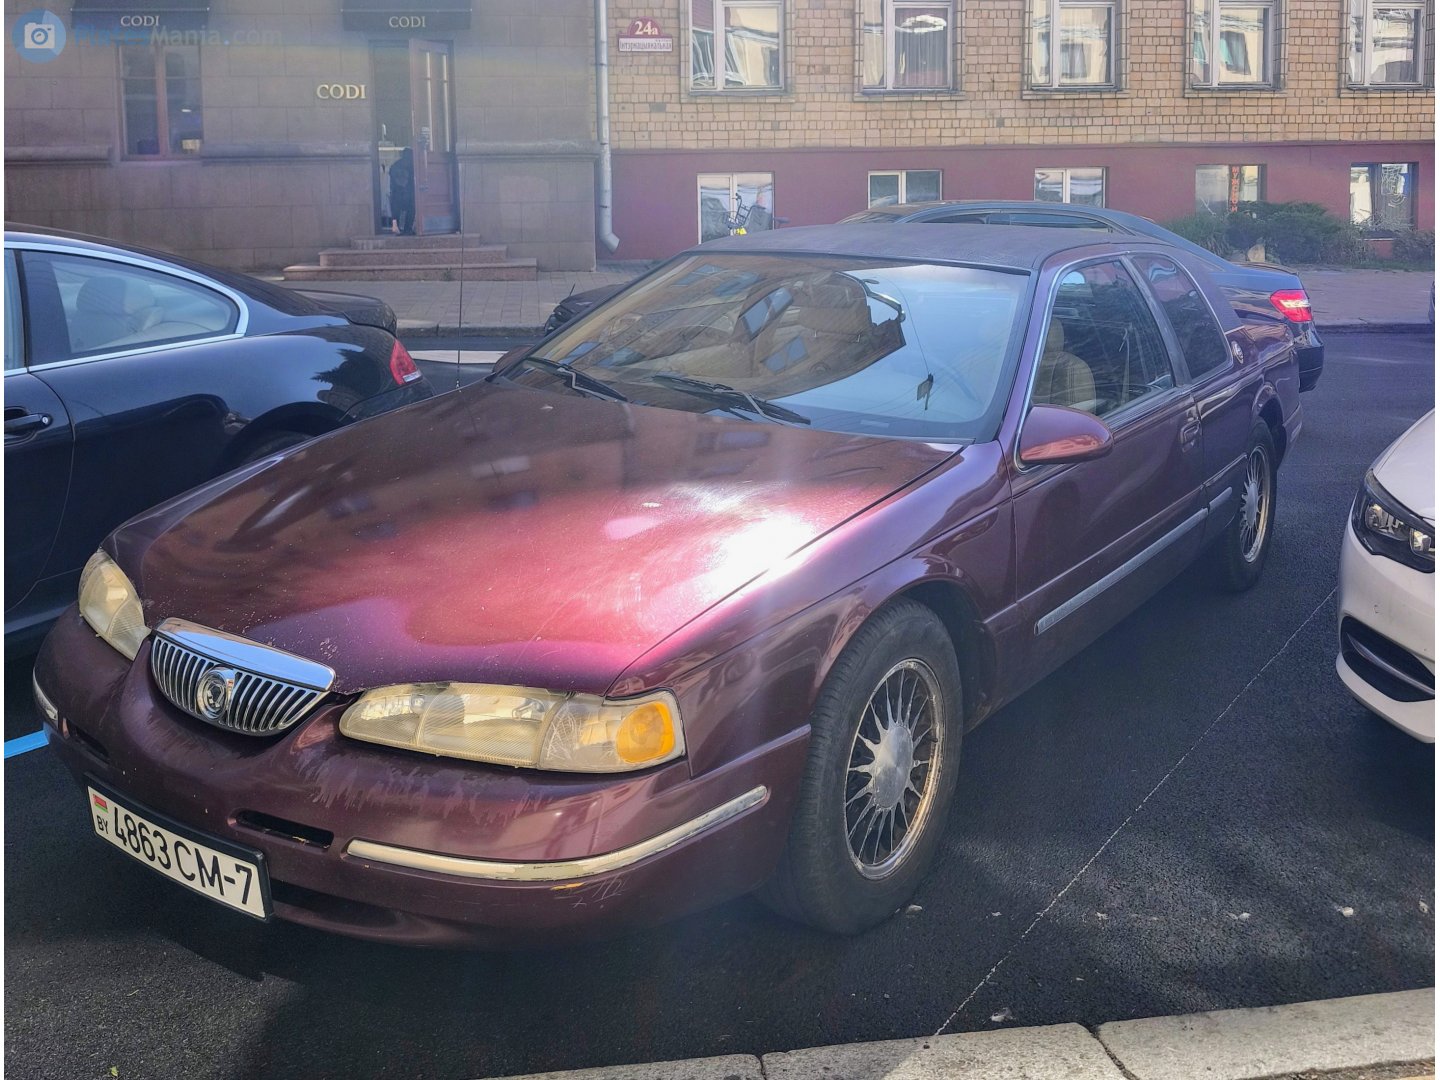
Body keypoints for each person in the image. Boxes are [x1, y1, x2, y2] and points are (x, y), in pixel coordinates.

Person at [389, 147, 415, 235]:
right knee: (412, 208)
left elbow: (392, 177)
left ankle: (395, 226)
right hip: (408, 193)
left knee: (395, 210)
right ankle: (408, 228)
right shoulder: (412, 165)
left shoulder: (395, 165)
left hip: (396, 193)